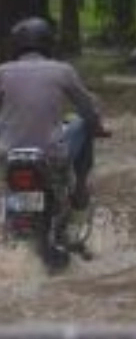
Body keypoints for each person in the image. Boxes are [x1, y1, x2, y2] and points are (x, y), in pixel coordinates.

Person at [0, 17, 107, 210]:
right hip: (51, 156)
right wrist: (97, 126)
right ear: (48, 43)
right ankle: (80, 188)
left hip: (8, 156)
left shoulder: (2, 72)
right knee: (82, 123)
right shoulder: (62, 71)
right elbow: (88, 108)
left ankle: (12, 207)